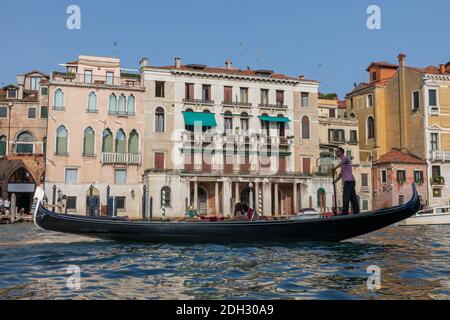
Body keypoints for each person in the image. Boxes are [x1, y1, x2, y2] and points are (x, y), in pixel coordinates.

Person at [333, 147, 360, 215]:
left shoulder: (346, 158)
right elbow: (341, 174)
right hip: (350, 181)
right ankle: (356, 211)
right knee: (352, 197)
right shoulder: (343, 164)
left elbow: (341, 163)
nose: (336, 153)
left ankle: (345, 212)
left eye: (337, 151)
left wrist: (334, 168)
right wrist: (335, 181)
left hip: (349, 181)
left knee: (345, 196)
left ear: (341, 152)